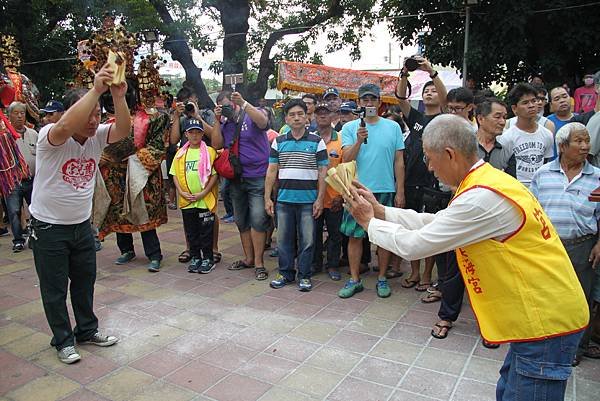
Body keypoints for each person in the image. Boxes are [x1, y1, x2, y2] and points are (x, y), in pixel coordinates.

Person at [345, 114, 588, 401]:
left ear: (450, 154)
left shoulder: (480, 197)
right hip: (541, 316)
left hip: (547, 322)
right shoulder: (487, 181)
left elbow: (415, 245)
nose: (429, 167)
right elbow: (437, 223)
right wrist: (382, 211)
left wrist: (369, 223)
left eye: (429, 158)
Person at [29, 63, 129, 364]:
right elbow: (62, 127)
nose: (93, 120)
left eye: (98, 114)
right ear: (72, 113)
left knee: (85, 282)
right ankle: (62, 340)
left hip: (81, 225)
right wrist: (95, 89)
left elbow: (123, 130)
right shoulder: (51, 135)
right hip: (49, 228)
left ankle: (86, 330)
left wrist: (118, 97)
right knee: (54, 288)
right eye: (88, 114)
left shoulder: (97, 136)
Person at [530, 122, 600, 366]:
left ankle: (575, 349)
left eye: (586, 141)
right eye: (578, 142)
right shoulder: (542, 174)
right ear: (562, 146)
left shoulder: (597, 177)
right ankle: (545, 342)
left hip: (583, 246)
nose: (585, 146)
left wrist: (599, 244)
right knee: (547, 296)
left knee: (580, 300)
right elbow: (533, 212)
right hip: (549, 246)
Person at [95, 55, 170, 273]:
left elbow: (158, 146)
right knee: (119, 212)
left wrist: (128, 157)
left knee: (142, 212)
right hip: (115, 176)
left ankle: (154, 254)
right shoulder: (104, 119)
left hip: (140, 175)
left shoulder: (153, 117)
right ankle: (126, 250)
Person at [338, 83, 405, 299]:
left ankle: (382, 277)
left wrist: (400, 190)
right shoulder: (349, 128)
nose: (369, 103)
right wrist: (359, 139)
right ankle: (355, 279)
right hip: (356, 190)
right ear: (358, 103)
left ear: (380, 102)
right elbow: (346, 159)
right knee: (355, 237)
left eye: (372, 99)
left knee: (383, 237)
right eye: (364, 99)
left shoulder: (393, 127)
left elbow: (399, 161)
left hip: (385, 189)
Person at [265, 99, 328, 291]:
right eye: (292, 115)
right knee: (283, 240)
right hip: (284, 200)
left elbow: (323, 172)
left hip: (308, 201)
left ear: (307, 116)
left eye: (300, 113)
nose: (296, 118)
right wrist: (267, 197)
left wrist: (320, 199)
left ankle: (305, 276)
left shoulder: (317, 142)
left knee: (307, 240)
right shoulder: (279, 141)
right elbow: (271, 171)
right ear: (286, 119)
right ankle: (285, 274)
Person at [394, 56, 445, 293]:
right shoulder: (416, 118)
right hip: (412, 182)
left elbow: (446, 100)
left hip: (434, 184)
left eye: (433, 90)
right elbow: (401, 98)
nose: (430, 93)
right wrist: (405, 73)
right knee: (412, 229)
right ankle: (414, 272)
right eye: (426, 90)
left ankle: (426, 274)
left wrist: (431, 73)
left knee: (431, 231)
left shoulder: (445, 119)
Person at [214, 90, 271, 280]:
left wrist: (244, 103)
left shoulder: (250, 113)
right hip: (236, 178)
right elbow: (216, 144)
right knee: (241, 220)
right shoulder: (225, 123)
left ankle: (259, 263)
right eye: (223, 106)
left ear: (235, 101)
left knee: (258, 219)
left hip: (257, 177)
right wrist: (216, 119)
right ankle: (248, 259)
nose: (227, 109)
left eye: (229, 104)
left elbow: (263, 123)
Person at [170, 118, 218, 273]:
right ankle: (196, 256)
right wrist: (181, 192)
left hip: (205, 200)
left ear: (203, 134)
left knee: (206, 231)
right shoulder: (180, 154)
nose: (195, 136)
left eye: (198, 132)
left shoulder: (209, 152)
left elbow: (214, 175)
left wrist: (204, 192)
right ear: (186, 134)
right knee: (191, 231)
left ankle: (208, 258)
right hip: (187, 200)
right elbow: (175, 175)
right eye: (192, 133)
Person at [498, 83, 554, 186]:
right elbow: (501, 167)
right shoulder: (507, 138)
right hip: (516, 191)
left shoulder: (547, 135)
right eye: (525, 103)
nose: (531, 105)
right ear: (514, 109)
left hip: (539, 189)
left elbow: (546, 163)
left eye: (533, 101)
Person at [312, 103, 343, 281]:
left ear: (332, 116)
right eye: (319, 113)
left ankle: (332, 265)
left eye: (326, 113)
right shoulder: (310, 138)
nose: (322, 116)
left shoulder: (340, 140)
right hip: (313, 197)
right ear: (315, 117)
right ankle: (315, 263)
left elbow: (346, 169)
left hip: (334, 197)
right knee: (314, 233)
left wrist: (340, 195)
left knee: (334, 234)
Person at [6, 101, 37, 252]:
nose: (19, 116)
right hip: (13, 182)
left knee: (35, 210)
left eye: (22, 113)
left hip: (32, 180)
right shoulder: (5, 136)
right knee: (14, 211)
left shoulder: (33, 134)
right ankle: (18, 240)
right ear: (9, 115)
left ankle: (33, 236)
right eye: (16, 113)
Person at [476, 99, 515, 176]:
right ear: (480, 119)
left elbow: (511, 182)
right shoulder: (465, 146)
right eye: (497, 117)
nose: (503, 122)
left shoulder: (507, 148)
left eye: (504, 117)